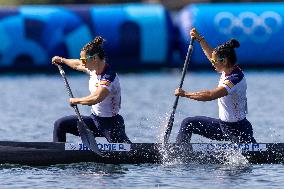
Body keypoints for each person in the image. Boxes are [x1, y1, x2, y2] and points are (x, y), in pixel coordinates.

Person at [175, 28, 256, 144]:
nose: (212, 63)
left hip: (238, 130)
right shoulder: (227, 69)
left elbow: (210, 95)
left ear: (224, 61)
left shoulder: (235, 79)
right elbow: (212, 55)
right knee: (188, 123)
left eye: (214, 62)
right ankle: (179, 152)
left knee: (248, 158)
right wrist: (200, 39)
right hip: (223, 126)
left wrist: (185, 94)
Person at [52, 36, 131, 143]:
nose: (82, 63)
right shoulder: (92, 69)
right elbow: (77, 64)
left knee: (127, 153)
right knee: (60, 124)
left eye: (84, 60)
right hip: (94, 120)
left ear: (94, 59)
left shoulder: (109, 77)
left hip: (111, 124)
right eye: (82, 60)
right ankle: (58, 154)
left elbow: (97, 98)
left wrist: (76, 100)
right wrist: (62, 60)